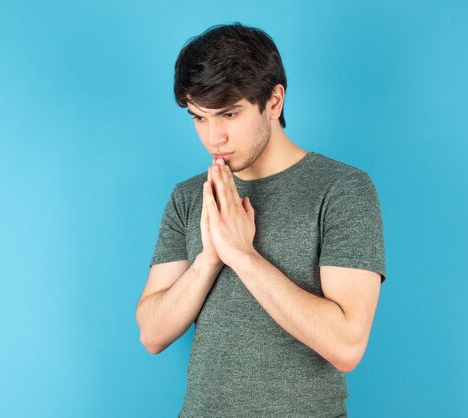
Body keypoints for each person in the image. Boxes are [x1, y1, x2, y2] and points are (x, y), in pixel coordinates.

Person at [135, 22, 386, 418]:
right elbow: (151, 332)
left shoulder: (341, 189)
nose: (213, 137)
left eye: (229, 113)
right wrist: (209, 260)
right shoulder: (188, 196)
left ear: (273, 101)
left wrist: (243, 256)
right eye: (199, 118)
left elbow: (346, 346)